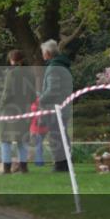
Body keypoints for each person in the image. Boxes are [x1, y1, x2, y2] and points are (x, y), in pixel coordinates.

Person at [0, 50, 36, 175]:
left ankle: (6, 169)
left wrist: (0, 106)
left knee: (5, 139)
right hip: (25, 111)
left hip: (9, 111)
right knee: (22, 140)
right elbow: (33, 95)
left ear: (12, 60)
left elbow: (7, 93)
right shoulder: (30, 74)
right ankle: (24, 168)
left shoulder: (11, 74)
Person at [37, 40, 73, 173]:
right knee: (62, 136)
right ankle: (66, 163)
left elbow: (52, 90)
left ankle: (60, 165)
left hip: (54, 109)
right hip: (64, 107)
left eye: (43, 52)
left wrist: (40, 99)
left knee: (55, 137)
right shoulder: (63, 66)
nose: (42, 55)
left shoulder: (53, 68)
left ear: (47, 53)